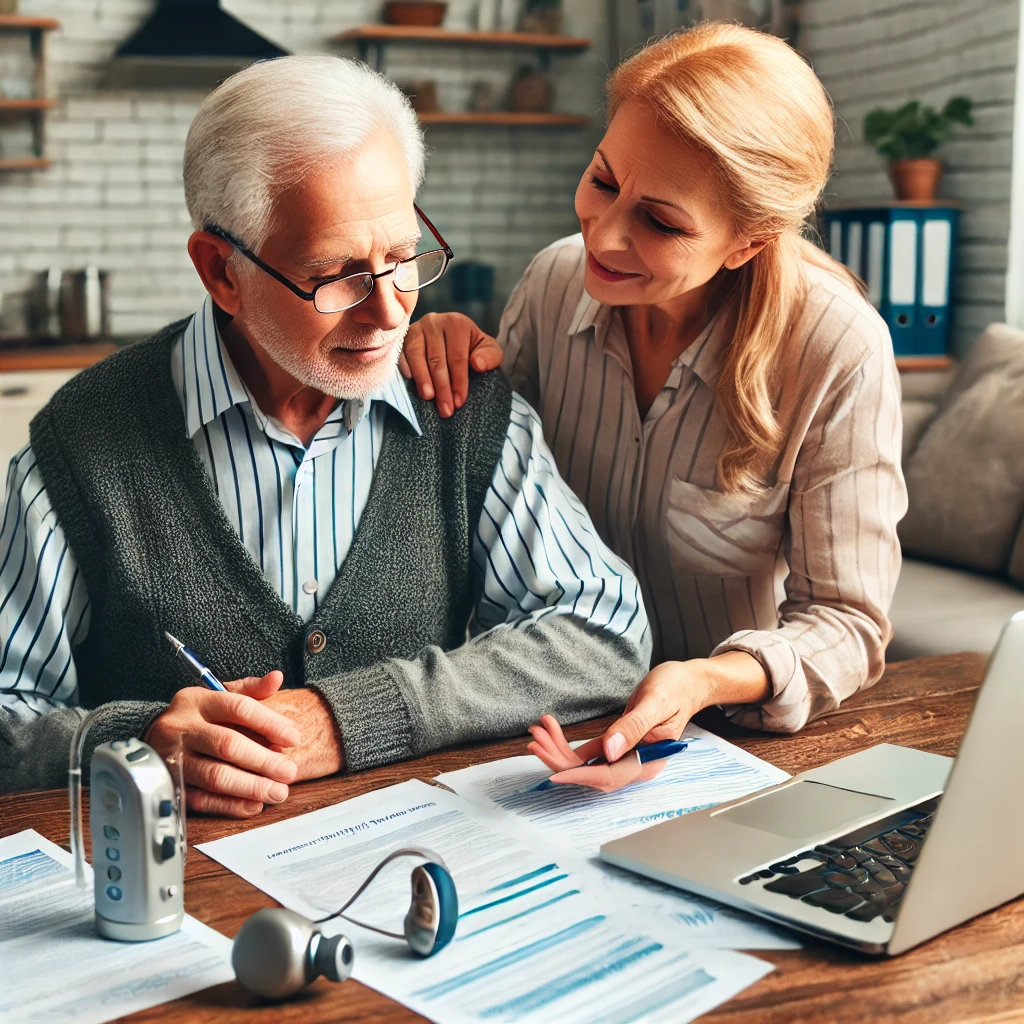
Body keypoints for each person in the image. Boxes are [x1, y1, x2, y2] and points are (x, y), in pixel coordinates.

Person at [0, 55, 651, 814]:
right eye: (337, 276)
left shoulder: (460, 409)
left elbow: (602, 632)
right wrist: (134, 742)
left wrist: (346, 720)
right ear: (221, 272)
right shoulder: (80, 446)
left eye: (403, 257)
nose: (389, 313)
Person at [400, 23, 907, 789]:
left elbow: (848, 624)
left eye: (661, 222)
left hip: (714, 743)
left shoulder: (836, 348)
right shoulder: (551, 285)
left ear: (748, 241)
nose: (603, 237)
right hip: (538, 723)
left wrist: (703, 680)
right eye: (604, 181)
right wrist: (441, 357)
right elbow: (483, 509)